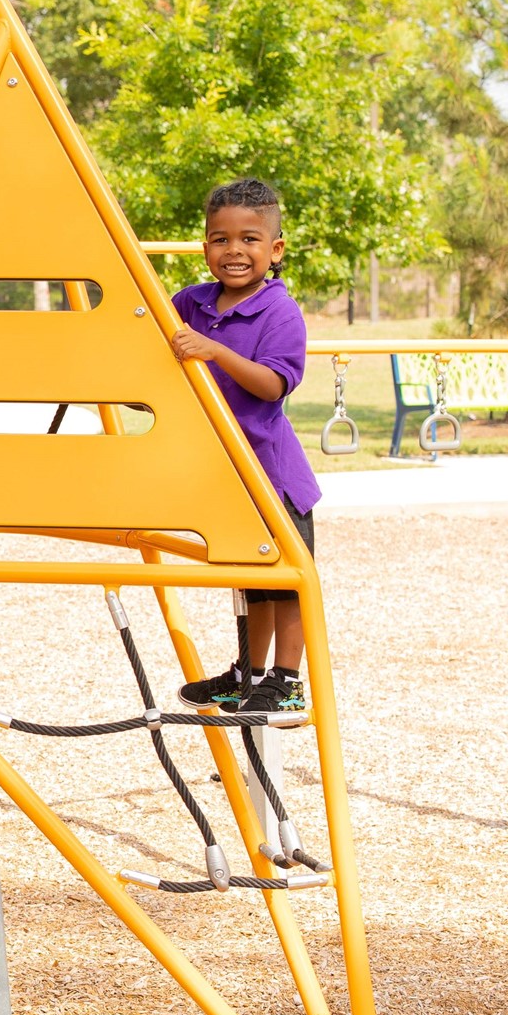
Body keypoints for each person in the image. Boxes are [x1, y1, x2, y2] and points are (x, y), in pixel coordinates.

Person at [169, 179, 321, 715]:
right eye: (219, 239)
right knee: (250, 581)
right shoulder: (192, 301)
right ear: (205, 245)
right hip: (223, 471)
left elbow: (273, 384)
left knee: (287, 582)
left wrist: (213, 351)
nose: (234, 251)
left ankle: (286, 680)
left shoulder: (280, 312)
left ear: (274, 249)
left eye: (250, 239)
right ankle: (247, 673)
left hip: (272, 473)